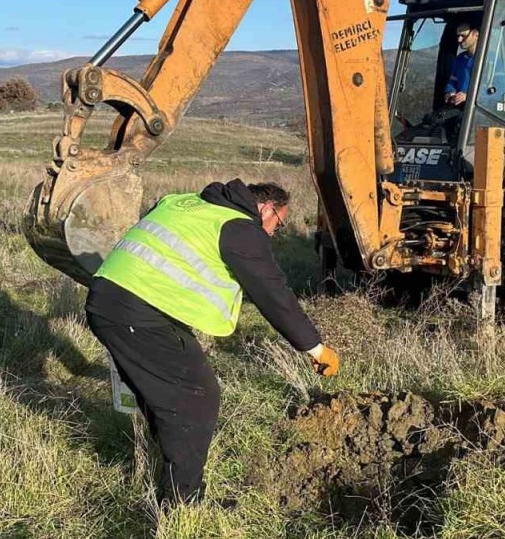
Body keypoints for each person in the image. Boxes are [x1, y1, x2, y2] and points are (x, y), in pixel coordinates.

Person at [84, 179, 339, 504]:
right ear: (266, 209)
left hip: (114, 299)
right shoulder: (240, 228)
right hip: (135, 311)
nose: (275, 233)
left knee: (167, 396)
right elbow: (274, 294)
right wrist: (315, 347)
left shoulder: (186, 201)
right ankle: (182, 503)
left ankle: (170, 476)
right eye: (279, 224)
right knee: (197, 397)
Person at [443, 21, 480, 107]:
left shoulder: (491, 60)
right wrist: (450, 92)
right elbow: (452, 81)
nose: (459, 40)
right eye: (458, 36)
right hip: (460, 107)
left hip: (478, 109)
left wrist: (468, 96)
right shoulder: (460, 58)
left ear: (475, 34)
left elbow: (497, 92)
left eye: (463, 36)